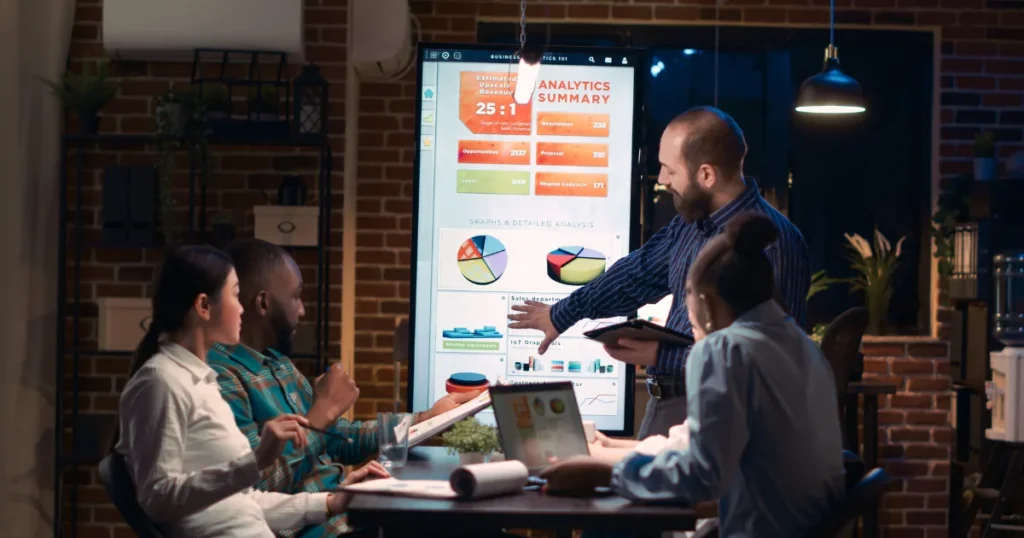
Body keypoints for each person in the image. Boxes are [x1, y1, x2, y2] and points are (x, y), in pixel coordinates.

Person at [509, 106, 810, 438]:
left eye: (669, 169)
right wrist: (561, 314)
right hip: (667, 406)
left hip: (726, 415)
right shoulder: (690, 225)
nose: (663, 180)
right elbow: (634, 276)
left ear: (706, 175)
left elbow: (763, 363)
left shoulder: (773, 243)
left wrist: (660, 355)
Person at [539, 214, 846, 538]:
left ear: (703, 302)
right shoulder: (802, 348)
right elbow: (698, 446)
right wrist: (608, 448)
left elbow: (701, 476)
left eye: (683, 295)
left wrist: (604, 473)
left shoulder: (724, 349)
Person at [208, 238, 482, 537]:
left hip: (352, 514)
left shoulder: (278, 364)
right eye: (296, 297)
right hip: (324, 528)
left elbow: (342, 440)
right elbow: (251, 490)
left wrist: (426, 419)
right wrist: (321, 413)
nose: (301, 310)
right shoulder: (221, 377)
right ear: (264, 303)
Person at [115, 245, 388, 538]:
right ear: (204, 306)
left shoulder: (200, 380)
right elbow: (157, 499)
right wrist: (255, 462)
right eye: (235, 295)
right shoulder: (160, 382)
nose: (242, 308)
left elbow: (242, 502)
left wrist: (333, 501)